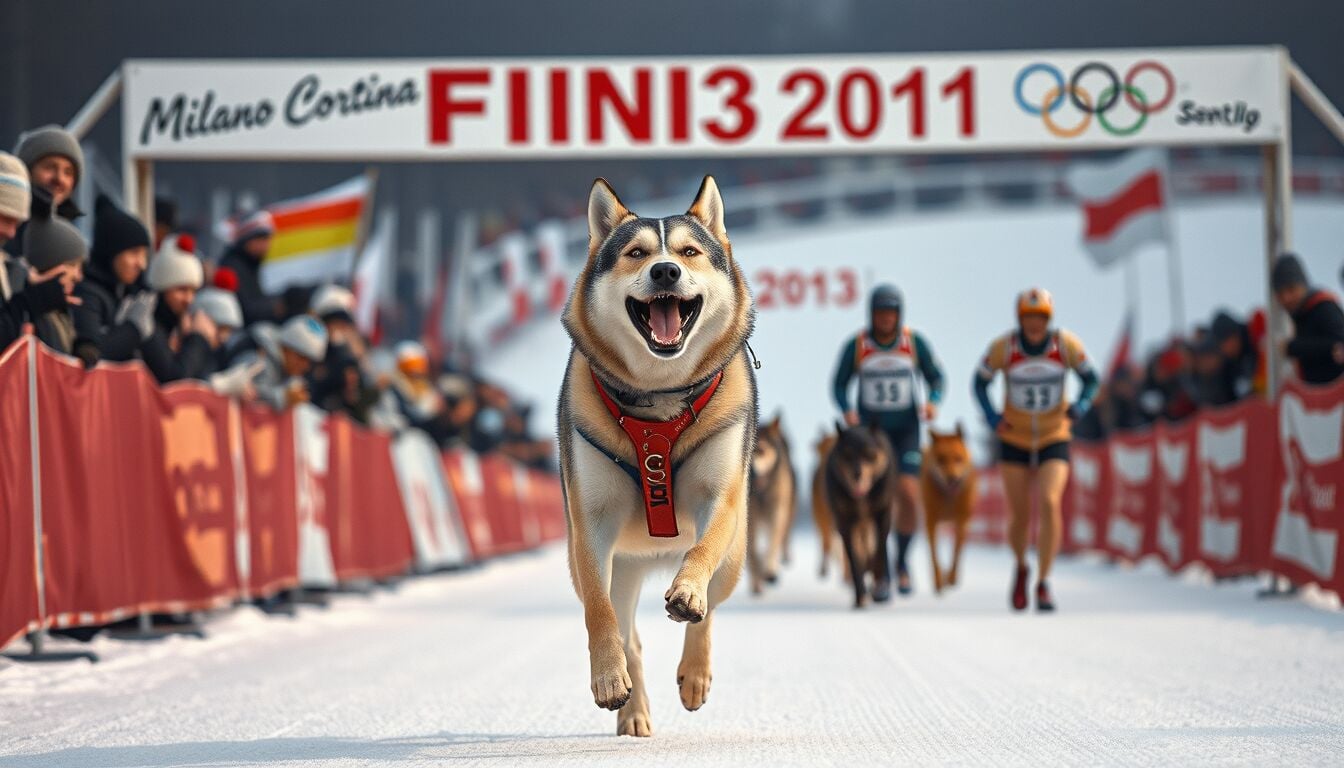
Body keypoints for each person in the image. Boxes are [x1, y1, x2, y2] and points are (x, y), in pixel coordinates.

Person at [973, 288, 1097, 612]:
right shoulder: (1004, 347)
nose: (1034, 324)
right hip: (1014, 437)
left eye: (1040, 318)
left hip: (1054, 434)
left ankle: (1043, 581)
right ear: (1019, 319)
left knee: (1050, 501)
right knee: (1020, 514)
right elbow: (979, 381)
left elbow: (1091, 378)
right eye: (1028, 318)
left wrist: (1081, 404)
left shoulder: (1065, 345)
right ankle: (1020, 565)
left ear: (1048, 319)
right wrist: (992, 416)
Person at [831, 283, 945, 597]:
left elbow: (936, 377)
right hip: (870, 436)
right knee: (869, 501)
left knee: (908, 493)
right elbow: (839, 384)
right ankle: (877, 568)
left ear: (899, 315)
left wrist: (933, 401)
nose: (886, 319)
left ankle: (902, 561)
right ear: (872, 314)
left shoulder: (913, 343)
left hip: (906, 430)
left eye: (891, 313)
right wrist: (846, 409)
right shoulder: (858, 345)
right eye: (880, 313)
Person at [71, 195, 152, 368]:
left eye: (144, 254)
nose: (142, 264)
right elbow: (92, 354)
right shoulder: (88, 294)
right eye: (134, 253)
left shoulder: (124, 293)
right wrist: (133, 329)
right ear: (111, 252)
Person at [140, 233, 217, 383]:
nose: (189, 299)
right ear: (162, 288)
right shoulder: (148, 323)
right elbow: (174, 377)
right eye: (182, 289)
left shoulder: (176, 325)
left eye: (194, 291)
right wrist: (198, 338)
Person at [5, 125, 84, 259]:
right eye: (50, 167)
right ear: (26, 171)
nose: (59, 179)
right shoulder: (9, 226)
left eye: (68, 172)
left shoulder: (71, 228)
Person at [22, 207, 87, 354]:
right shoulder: (29, 313)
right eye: (72, 265)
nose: (78, 276)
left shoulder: (61, 313)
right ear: (49, 264)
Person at [1272, 253, 1344, 385]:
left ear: (1303, 285)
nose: (1287, 298)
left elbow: (1338, 344)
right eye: (1280, 294)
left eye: (1291, 289)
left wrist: (1293, 347)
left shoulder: (1324, 308)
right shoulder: (1300, 316)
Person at [217, 209, 281, 326]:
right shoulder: (233, 267)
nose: (266, 245)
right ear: (246, 240)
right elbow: (245, 311)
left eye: (267, 239)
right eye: (261, 239)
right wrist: (279, 307)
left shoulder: (251, 264)